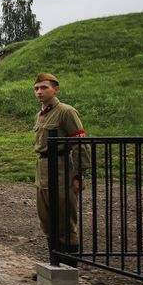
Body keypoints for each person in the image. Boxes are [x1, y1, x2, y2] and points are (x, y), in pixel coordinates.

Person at [33, 73, 89, 268]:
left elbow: (80, 143)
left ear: (55, 89)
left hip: (62, 171)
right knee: (47, 221)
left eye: (44, 87)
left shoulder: (66, 112)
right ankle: (54, 265)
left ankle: (68, 269)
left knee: (65, 221)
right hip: (43, 172)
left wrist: (79, 174)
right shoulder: (40, 115)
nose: (39, 92)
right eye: (36, 88)